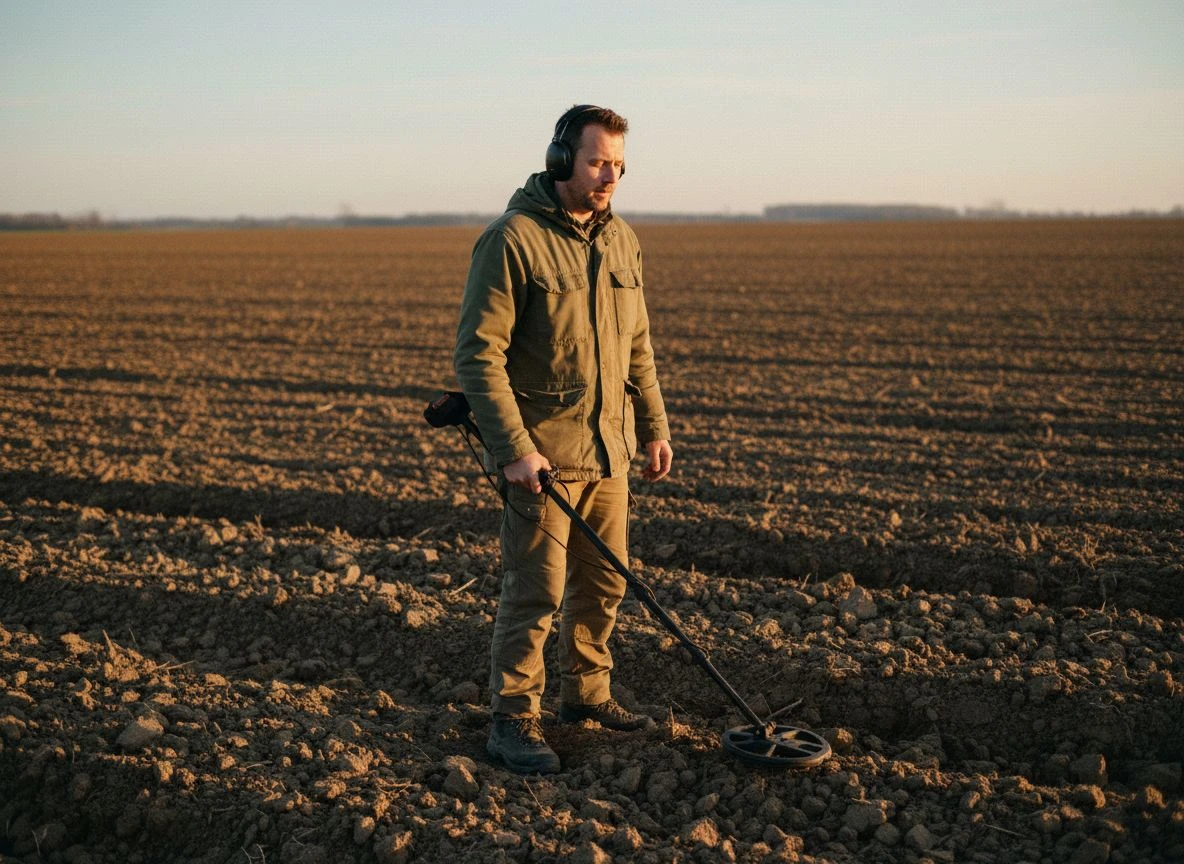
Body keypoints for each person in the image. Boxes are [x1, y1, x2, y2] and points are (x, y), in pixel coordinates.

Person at [453, 104, 674, 774]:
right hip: (542, 459)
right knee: (535, 593)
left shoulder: (623, 241)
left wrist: (656, 427)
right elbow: (478, 355)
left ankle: (586, 695)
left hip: (610, 454)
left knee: (603, 585)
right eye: (598, 161)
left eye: (619, 165)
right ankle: (513, 719)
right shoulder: (513, 239)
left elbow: (638, 347)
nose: (610, 176)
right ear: (560, 159)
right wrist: (514, 449)